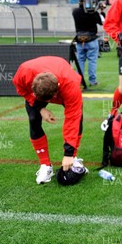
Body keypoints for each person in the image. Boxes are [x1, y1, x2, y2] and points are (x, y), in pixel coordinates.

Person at [12, 56, 86, 184]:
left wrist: (69, 153)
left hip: (63, 79)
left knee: (78, 118)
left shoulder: (70, 85)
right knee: (33, 118)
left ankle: (73, 158)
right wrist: (40, 108)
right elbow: (21, 89)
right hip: (39, 83)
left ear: (57, 89)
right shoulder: (24, 71)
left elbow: (72, 119)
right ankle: (45, 165)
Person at [72, 0, 105, 87]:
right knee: (92, 61)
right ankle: (92, 81)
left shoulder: (75, 12)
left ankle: (79, 81)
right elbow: (102, 22)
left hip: (79, 39)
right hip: (91, 39)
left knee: (80, 61)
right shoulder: (93, 13)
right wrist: (101, 11)